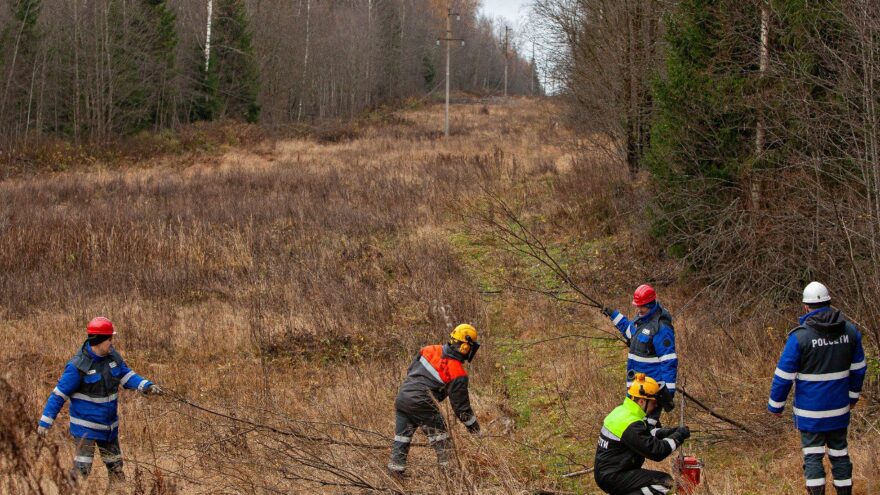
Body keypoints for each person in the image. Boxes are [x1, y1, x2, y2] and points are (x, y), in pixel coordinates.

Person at [768, 282, 866, 495]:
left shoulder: (799, 337)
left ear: (806, 307)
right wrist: (852, 397)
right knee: (840, 454)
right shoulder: (850, 332)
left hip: (810, 413)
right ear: (830, 303)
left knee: (812, 455)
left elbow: (783, 376)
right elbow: (859, 369)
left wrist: (775, 406)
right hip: (840, 409)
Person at [38, 317, 163, 483]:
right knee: (81, 472)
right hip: (85, 430)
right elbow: (58, 395)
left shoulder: (113, 358)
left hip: (109, 428)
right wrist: (45, 423)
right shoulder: (78, 367)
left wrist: (146, 386)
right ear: (98, 340)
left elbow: (127, 376)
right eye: (109, 338)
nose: (112, 342)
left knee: (116, 470)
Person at [387, 324, 481, 477]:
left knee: (402, 438)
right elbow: (461, 409)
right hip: (422, 402)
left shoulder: (428, 349)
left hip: (403, 397)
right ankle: (450, 476)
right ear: (464, 347)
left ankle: (395, 474)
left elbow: (411, 371)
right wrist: (475, 430)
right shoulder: (457, 371)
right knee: (442, 439)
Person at [594, 373, 690, 495]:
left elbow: (645, 434)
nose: (655, 407)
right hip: (614, 477)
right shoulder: (630, 423)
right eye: (653, 403)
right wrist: (678, 437)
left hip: (611, 472)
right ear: (641, 401)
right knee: (665, 483)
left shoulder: (624, 412)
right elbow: (656, 451)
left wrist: (669, 432)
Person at [602, 284, 677, 426]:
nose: (638, 309)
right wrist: (613, 315)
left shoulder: (661, 328)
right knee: (634, 423)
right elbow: (630, 332)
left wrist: (667, 393)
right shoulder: (642, 321)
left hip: (649, 391)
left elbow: (669, 361)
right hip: (636, 387)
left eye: (641, 306)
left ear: (649, 304)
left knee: (645, 427)